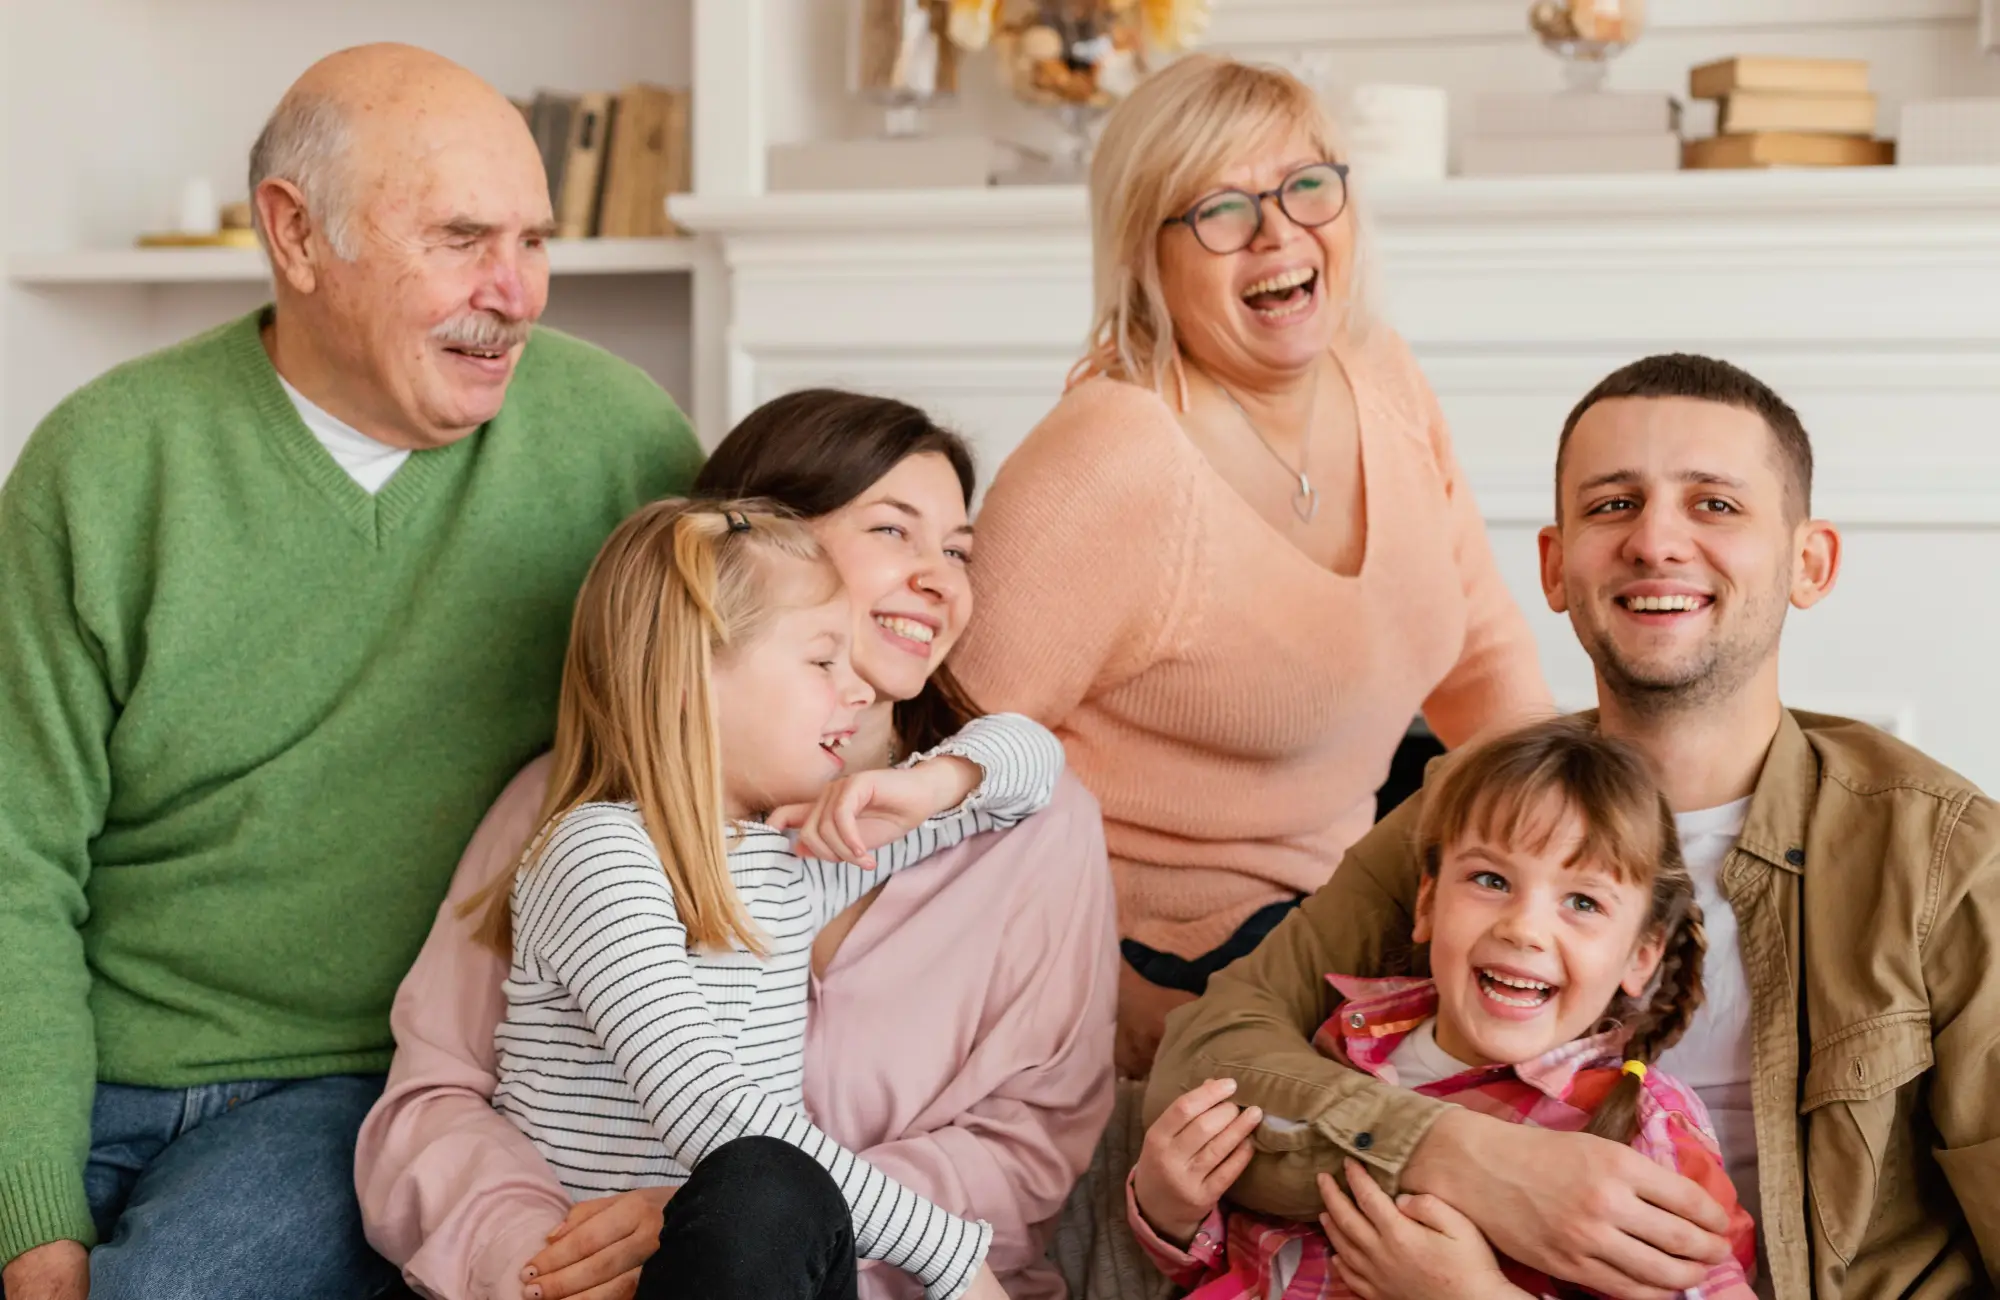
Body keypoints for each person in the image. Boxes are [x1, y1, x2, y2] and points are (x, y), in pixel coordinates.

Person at [0, 43, 702, 1300]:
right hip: (83, 1052)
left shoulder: (621, 445)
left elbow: (775, 728)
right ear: (295, 233)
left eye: (534, 240)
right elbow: (12, 859)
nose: (518, 290)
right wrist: (33, 1220)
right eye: (462, 237)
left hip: (354, 1084)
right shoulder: (104, 464)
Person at [1149, 354, 2000, 1299]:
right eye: (1612, 506)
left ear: (1811, 563)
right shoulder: (1475, 808)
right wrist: (1469, 1160)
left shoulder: (1943, 857)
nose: (1656, 544)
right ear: (1555, 568)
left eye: (1714, 505)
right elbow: (1212, 1052)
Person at [356, 390, 1119, 1300]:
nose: (941, 579)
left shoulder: (928, 830)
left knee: (758, 1197)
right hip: (595, 1280)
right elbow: (437, 1104)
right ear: (756, 548)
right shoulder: (579, 824)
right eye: (893, 532)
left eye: (958, 549)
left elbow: (1023, 1152)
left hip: (848, 1276)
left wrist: (937, 785)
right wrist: (549, 1255)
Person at [950, 53, 1550, 1080]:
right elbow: (939, 764)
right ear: (1148, 252)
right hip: (1159, 956)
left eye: (1305, 186)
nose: (1279, 232)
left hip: (1332, 923)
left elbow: (1478, 655)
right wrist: (1101, 988)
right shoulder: (1111, 458)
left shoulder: (1383, 376)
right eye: (1220, 209)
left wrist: (1587, 844)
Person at [465, 495, 1062, 1300]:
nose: (858, 691)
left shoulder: (791, 859)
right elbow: (710, 1111)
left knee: (776, 1198)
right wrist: (950, 1254)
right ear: (689, 679)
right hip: (633, 1279)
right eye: (822, 661)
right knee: (768, 1185)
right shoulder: (600, 854)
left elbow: (1030, 768)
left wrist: (930, 786)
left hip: (755, 1268)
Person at [1129, 717, 1757, 1300]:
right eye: (1491, 880)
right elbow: (1248, 1260)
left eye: (1584, 903)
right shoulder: (1337, 1044)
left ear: (1639, 957)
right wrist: (1172, 1213)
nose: (1525, 928)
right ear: (1427, 901)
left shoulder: (1645, 1130)